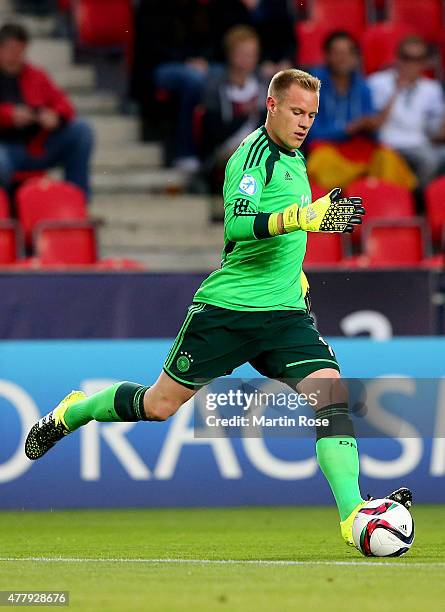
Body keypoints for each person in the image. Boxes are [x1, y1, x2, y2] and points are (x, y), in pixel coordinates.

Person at [25, 68, 412, 547]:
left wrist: (296, 272)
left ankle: (352, 513)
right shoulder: (251, 158)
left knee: (331, 394)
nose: (304, 122)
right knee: (159, 405)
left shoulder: (294, 157)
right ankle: (74, 412)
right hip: (228, 311)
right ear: (271, 106)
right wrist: (300, 216)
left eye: (311, 115)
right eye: (296, 111)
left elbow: (283, 241)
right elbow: (238, 225)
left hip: (284, 315)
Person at [0, 23, 94, 199]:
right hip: (4, 147)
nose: (16, 55)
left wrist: (54, 117)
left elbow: (64, 105)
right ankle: (5, 212)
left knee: (81, 131)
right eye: (11, 49)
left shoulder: (35, 75)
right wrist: (9, 116)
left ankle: (77, 203)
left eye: (20, 49)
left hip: (35, 146)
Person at [199, 26, 266, 216]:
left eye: (252, 55)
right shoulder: (215, 87)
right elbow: (211, 131)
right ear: (230, 55)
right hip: (224, 150)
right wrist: (243, 115)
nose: (247, 60)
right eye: (242, 54)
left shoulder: (265, 85)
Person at [368, 35, 445, 187]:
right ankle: (417, 200)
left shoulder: (432, 88)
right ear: (398, 58)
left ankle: (426, 198)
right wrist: (397, 90)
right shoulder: (377, 82)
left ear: (424, 62)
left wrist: (440, 130)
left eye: (418, 59)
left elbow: (435, 129)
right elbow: (374, 122)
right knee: (428, 159)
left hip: (421, 142)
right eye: (407, 58)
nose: (411, 64)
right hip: (390, 143)